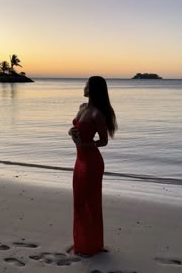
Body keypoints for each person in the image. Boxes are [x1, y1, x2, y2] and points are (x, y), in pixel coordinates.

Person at [68, 76, 117, 256]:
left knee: (91, 204)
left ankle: (92, 245)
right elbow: (74, 128)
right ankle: (81, 243)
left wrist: (84, 144)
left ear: (93, 90)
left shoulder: (98, 114)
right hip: (79, 161)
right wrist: (72, 132)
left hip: (91, 164)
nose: (84, 88)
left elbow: (103, 142)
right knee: (79, 203)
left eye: (87, 86)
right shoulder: (82, 108)